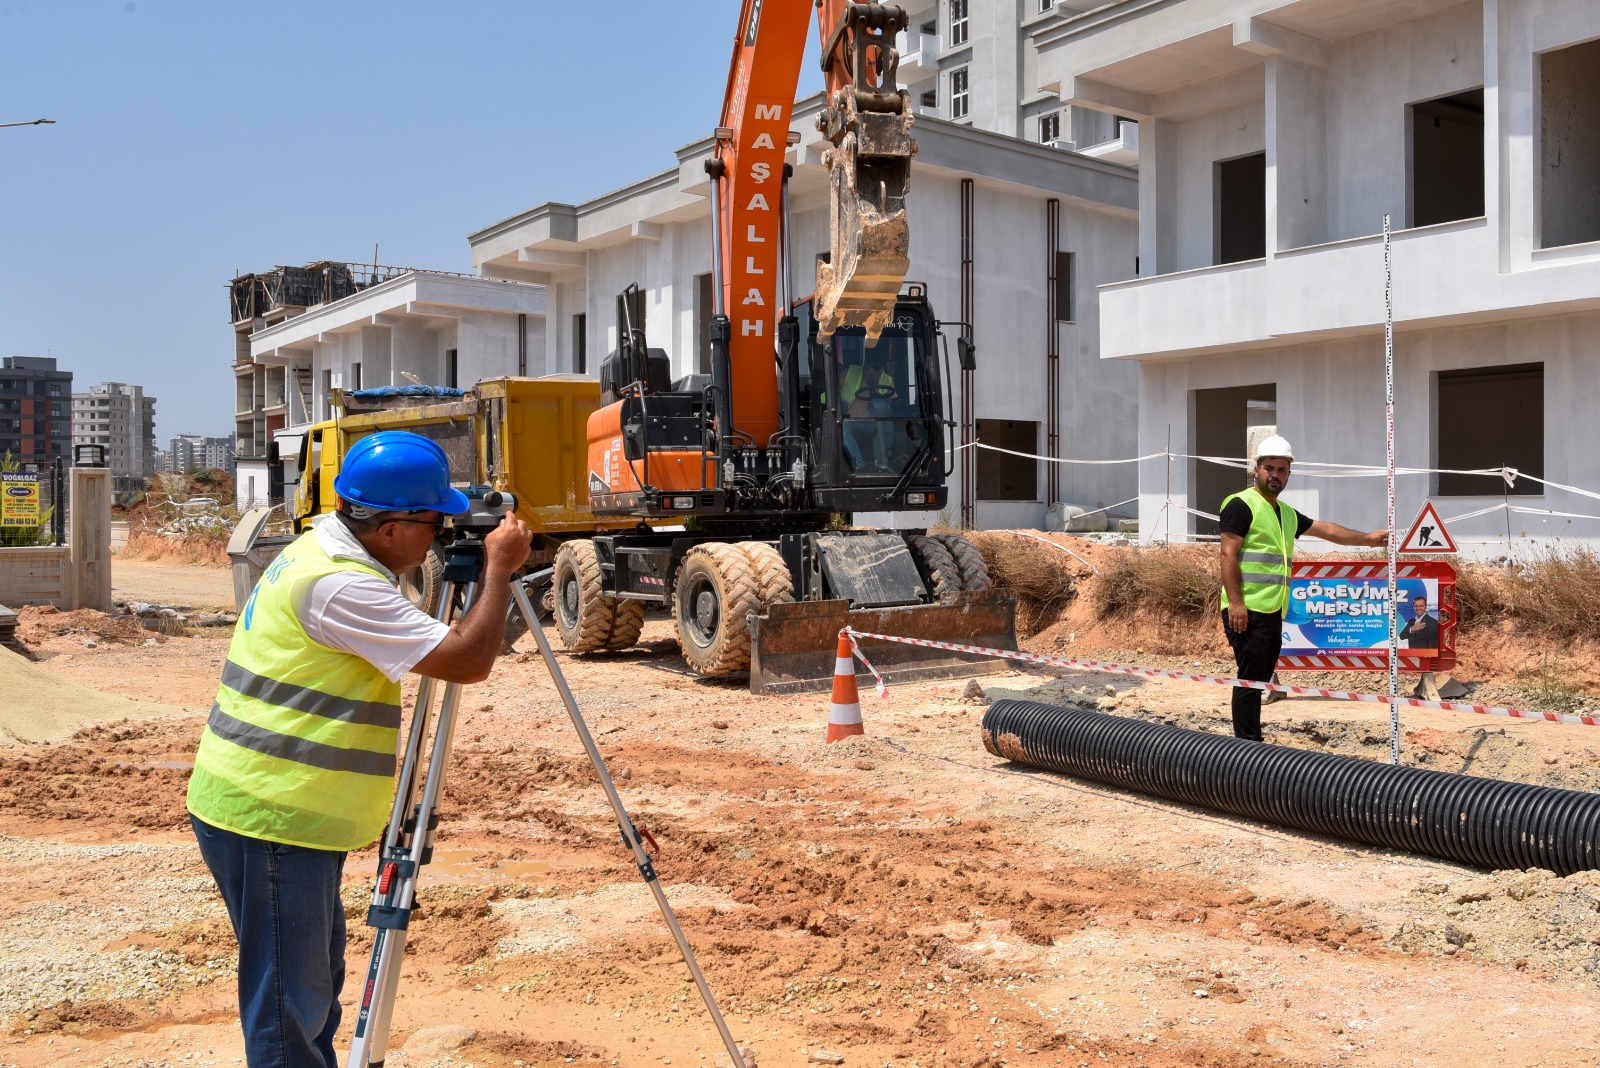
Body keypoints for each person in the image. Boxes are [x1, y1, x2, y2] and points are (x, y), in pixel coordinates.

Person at [186, 430, 531, 1068]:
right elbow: (466, 659)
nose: (439, 533)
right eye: (432, 520)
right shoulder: (343, 587)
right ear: (392, 525)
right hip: (271, 814)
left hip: (282, 811)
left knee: (312, 989)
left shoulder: (323, 549)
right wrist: (500, 571)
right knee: (290, 1005)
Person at [1219, 435, 1385, 741]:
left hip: (1271, 611)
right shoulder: (1241, 505)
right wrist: (1237, 604)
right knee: (1250, 680)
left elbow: (1327, 530)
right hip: (1247, 610)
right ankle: (1247, 746)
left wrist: (1368, 539)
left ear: (1288, 475)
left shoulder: (1285, 513)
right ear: (1256, 470)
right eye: (1269, 468)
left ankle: (1252, 742)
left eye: (1282, 470)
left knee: (1259, 680)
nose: (1275, 475)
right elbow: (1228, 554)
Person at [840, 347, 897, 471]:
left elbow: (889, 407)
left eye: (878, 375)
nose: (876, 378)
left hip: (873, 423)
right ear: (864, 368)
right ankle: (860, 465)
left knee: (888, 424)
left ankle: (885, 462)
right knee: (842, 429)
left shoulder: (887, 380)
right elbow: (831, 392)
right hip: (850, 421)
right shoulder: (850, 372)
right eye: (872, 375)